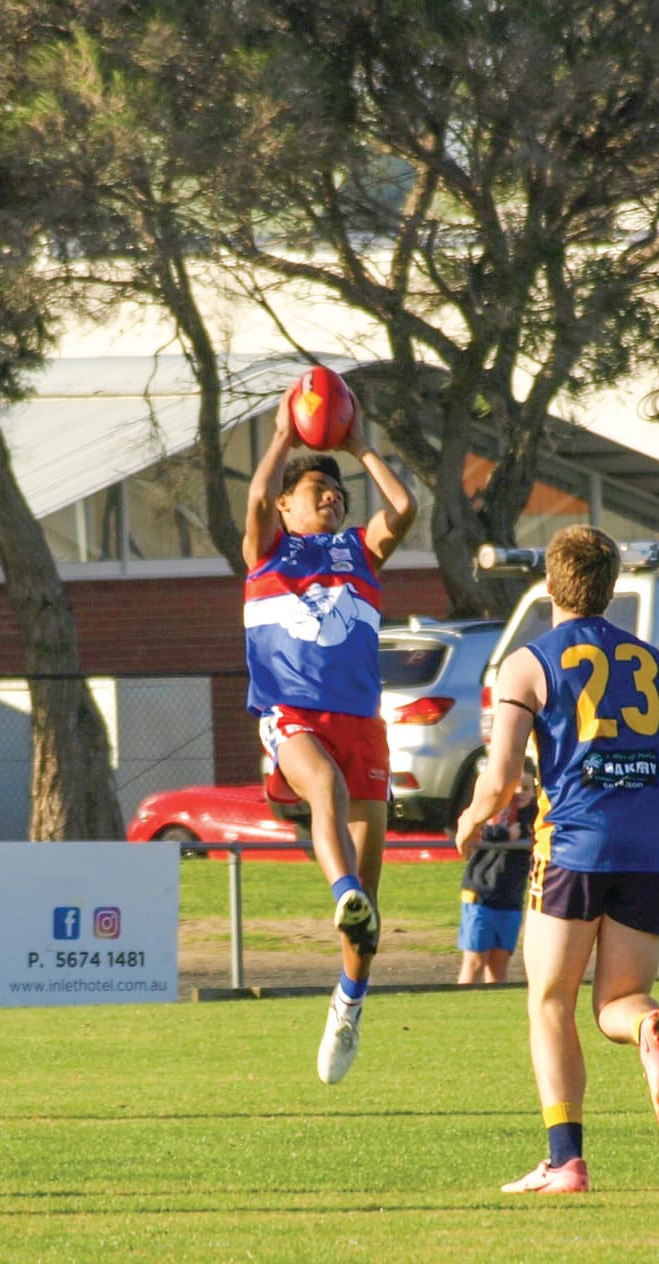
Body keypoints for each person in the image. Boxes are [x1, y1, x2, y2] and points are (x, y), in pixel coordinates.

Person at [455, 524, 659, 1195]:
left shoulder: (527, 663)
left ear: (549, 584)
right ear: (610, 590)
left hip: (575, 847)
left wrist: (471, 816)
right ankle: (650, 1026)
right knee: (618, 999)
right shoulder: (649, 658)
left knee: (549, 1002)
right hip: (651, 848)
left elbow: (500, 779)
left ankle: (566, 1163)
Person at [242, 379, 417, 1084]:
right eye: (318, 489)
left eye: (337, 491)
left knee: (366, 921)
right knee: (324, 787)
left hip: (360, 722)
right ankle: (340, 882)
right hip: (292, 712)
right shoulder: (267, 551)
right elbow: (254, 501)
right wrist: (286, 434)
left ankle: (348, 1003)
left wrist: (360, 446)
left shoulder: (358, 553)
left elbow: (403, 508)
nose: (333, 497)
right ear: (287, 504)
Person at [457, 762, 537, 985]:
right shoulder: (491, 810)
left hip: (511, 898)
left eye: (526, 787)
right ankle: (462, 1006)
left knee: (499, 965)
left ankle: (490, 1007)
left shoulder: (534, 817)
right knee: (474, 961)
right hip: (481, 894)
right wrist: (503, 834)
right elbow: (469, 828)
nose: (520, 792)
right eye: (516, 786)